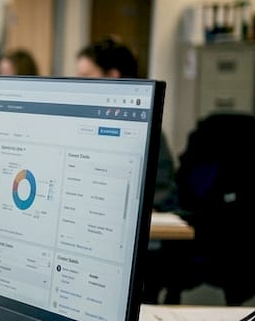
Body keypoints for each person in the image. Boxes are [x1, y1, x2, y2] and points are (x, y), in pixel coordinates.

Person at [75, 36, 178, 213]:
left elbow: (163, 195)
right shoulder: (83, 125)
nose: (79, 85)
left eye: (86, 76)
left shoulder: (144, 131)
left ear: (112, 76)